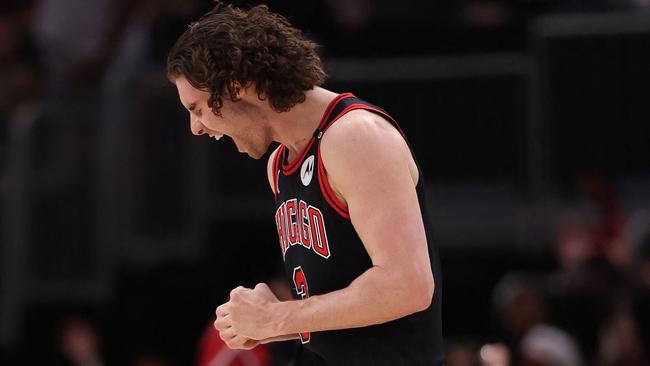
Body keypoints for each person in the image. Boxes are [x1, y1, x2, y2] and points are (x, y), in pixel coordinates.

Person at [166, 2, 443, 365]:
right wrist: (266, 325)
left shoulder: (354, 136)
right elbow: (336, 308)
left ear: (235, 87)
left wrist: (276, 318)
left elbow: (408, 285)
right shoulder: (280, 164)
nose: (196, 127)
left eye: (198, 108)